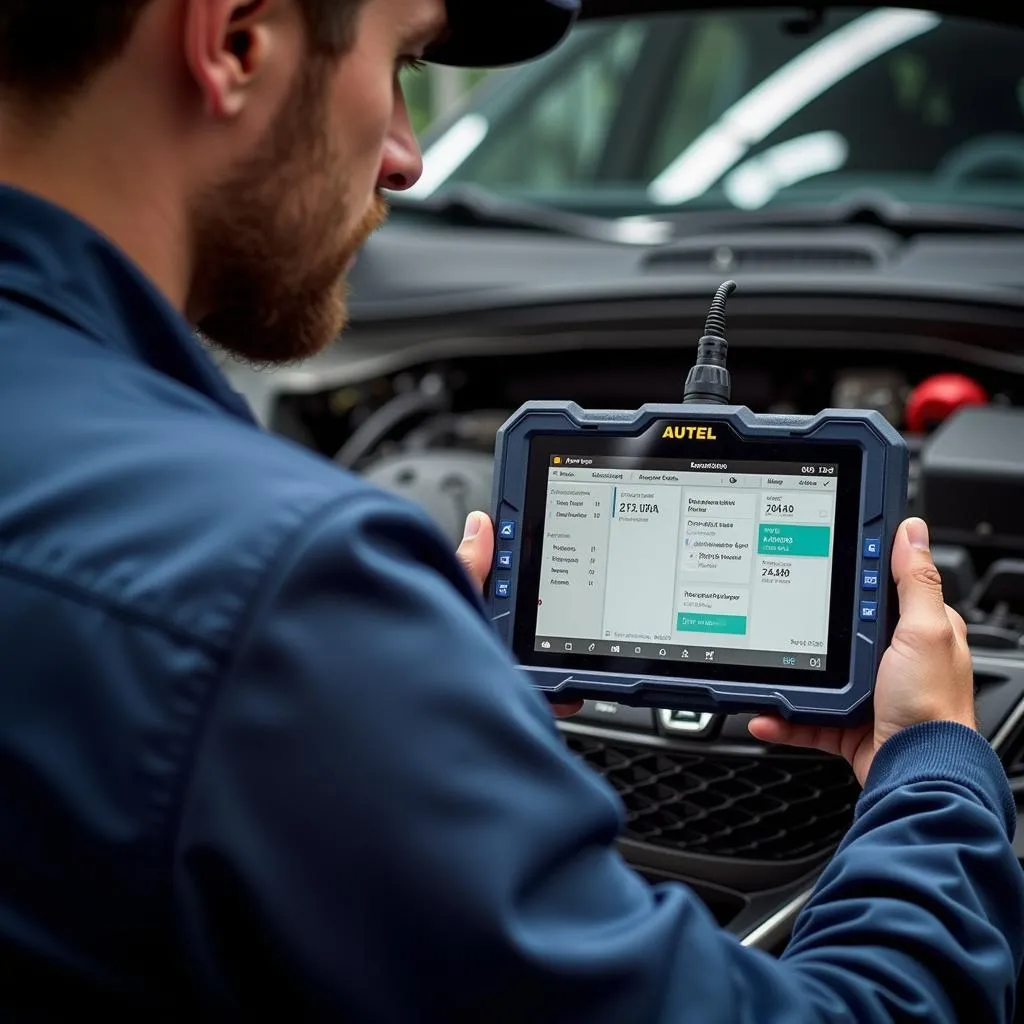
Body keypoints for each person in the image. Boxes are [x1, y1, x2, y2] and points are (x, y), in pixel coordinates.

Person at [0, 0, 1020, 1019]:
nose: (405, 155)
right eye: (400, 65)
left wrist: (412, 728)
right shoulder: (279, 599)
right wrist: (931, 757)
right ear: (234, 39)